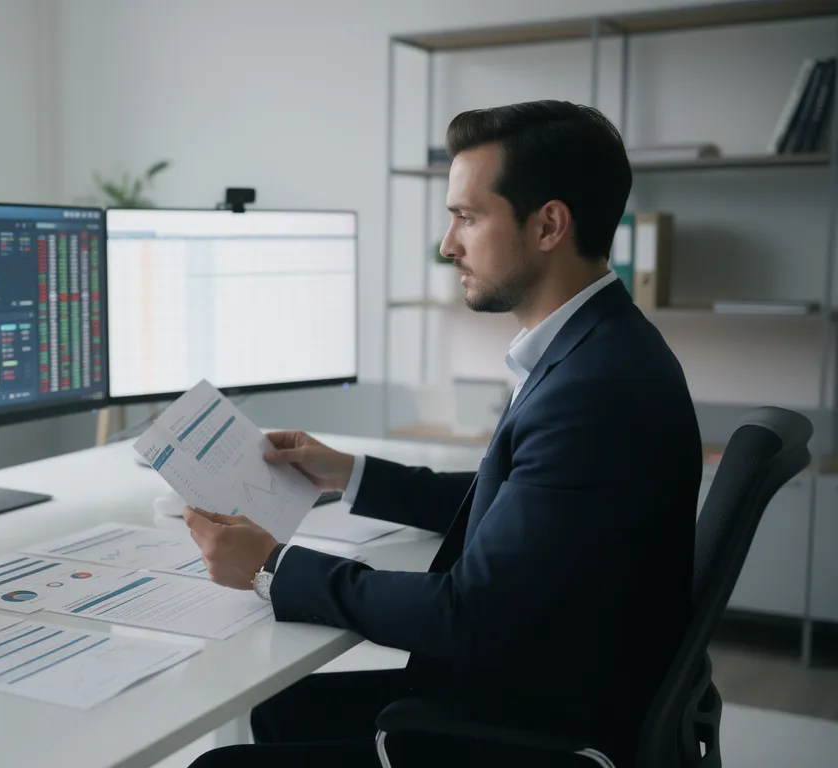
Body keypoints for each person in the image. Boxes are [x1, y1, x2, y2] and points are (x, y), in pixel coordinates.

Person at [185, 100, 702, 768]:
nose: (446, 243)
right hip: (548, 682)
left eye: (466, 215)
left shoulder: (594, 390)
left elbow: (466, 615)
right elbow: (523, 497)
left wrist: (271, 565)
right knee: (278, 708)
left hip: (540, 730)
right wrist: (350, 473)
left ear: (548, 225)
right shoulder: (599, 348)